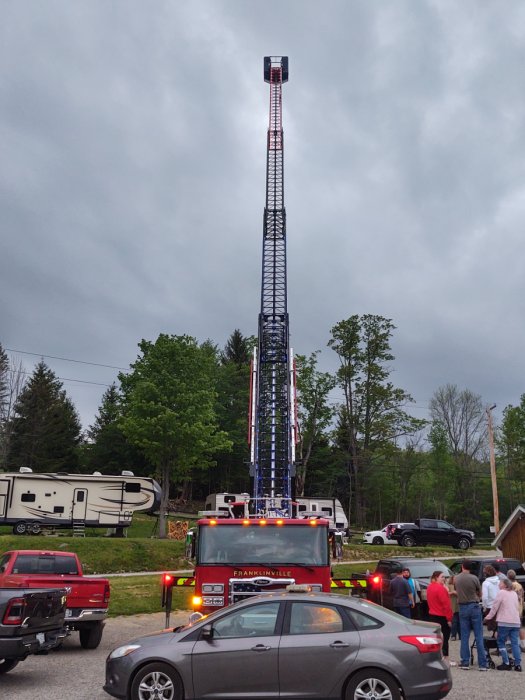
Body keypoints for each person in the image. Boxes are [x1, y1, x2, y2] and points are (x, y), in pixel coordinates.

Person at [454, 559, 489, 670]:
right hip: (474, 606)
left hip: (463, 607)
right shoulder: (474, 578)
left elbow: (456, 591)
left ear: (462, 566)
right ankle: (482, 664)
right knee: (479, 635)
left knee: (464, 636)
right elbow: (480, 593)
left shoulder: (456, 578)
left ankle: (465, 662)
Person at [484, 578, 522, 672]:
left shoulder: (501, 593)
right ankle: (518, 665)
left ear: (505, 585)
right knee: (515, 644)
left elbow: (495, 607)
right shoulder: (514, 593)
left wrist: (487, 617)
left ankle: (506, 663)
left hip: (504, 621)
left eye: (500, 583)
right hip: (515, 622)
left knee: (501, 642)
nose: (499, 584)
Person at [427, 571, 456, 666]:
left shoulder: (430, 587)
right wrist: (449, 619)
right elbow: (446, 605)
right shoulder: (441, 589)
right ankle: (446, 659)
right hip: (442, 616)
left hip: (432, 615)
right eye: (442, 577)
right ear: (436, 578)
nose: (444, 579)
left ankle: (435, 658)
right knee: (445, 639)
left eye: (444, 577)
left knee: (435, 639)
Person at [448, 575, 461, 640]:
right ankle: (453, 635)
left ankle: (460, 635)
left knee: (459, 621)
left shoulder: (460, 585)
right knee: (454, 621)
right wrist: (452, 592)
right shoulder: (449, 585)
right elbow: (446, 593)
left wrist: (457, 593)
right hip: (452, 606)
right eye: (455, 579)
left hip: (459, 606)